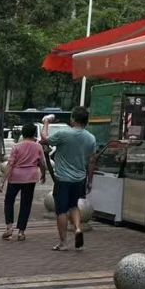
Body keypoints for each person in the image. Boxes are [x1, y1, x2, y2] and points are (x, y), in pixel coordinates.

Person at [41, 106, 96, 251]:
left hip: (63, 179)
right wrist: (90, 181)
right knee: (74, 205)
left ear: (73, 119)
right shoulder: (91, 138)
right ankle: (77, 228)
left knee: (61, 211)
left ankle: (63, 242)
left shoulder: (64, 133)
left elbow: (45, 139)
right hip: (80, 178)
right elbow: (92, 161)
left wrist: (46, 122)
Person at [1, 123, 47, 241]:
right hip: (30, 177)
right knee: (26, 204)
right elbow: (42, 163)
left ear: (23, 133)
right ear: (34, 134)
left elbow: (10, 164)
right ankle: (21, 232)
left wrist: (2, 181)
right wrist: (43, 174)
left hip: (15, 177)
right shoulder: (38, 147)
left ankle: (9, 227)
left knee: (9, 201)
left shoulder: (16, 147)